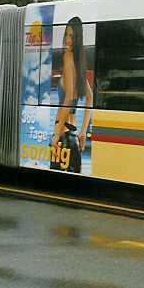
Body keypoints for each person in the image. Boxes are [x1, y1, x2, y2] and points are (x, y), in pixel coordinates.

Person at [50, 16, 93, 172]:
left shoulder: (68, 58)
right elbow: (90, 98)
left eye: (72, 36)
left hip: (62, 135)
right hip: (73, 136)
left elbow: (68, 98)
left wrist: (55, 136)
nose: (68, 40)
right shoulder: (79, 62)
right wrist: (82, 132)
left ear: (78, 39)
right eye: (66, 35)